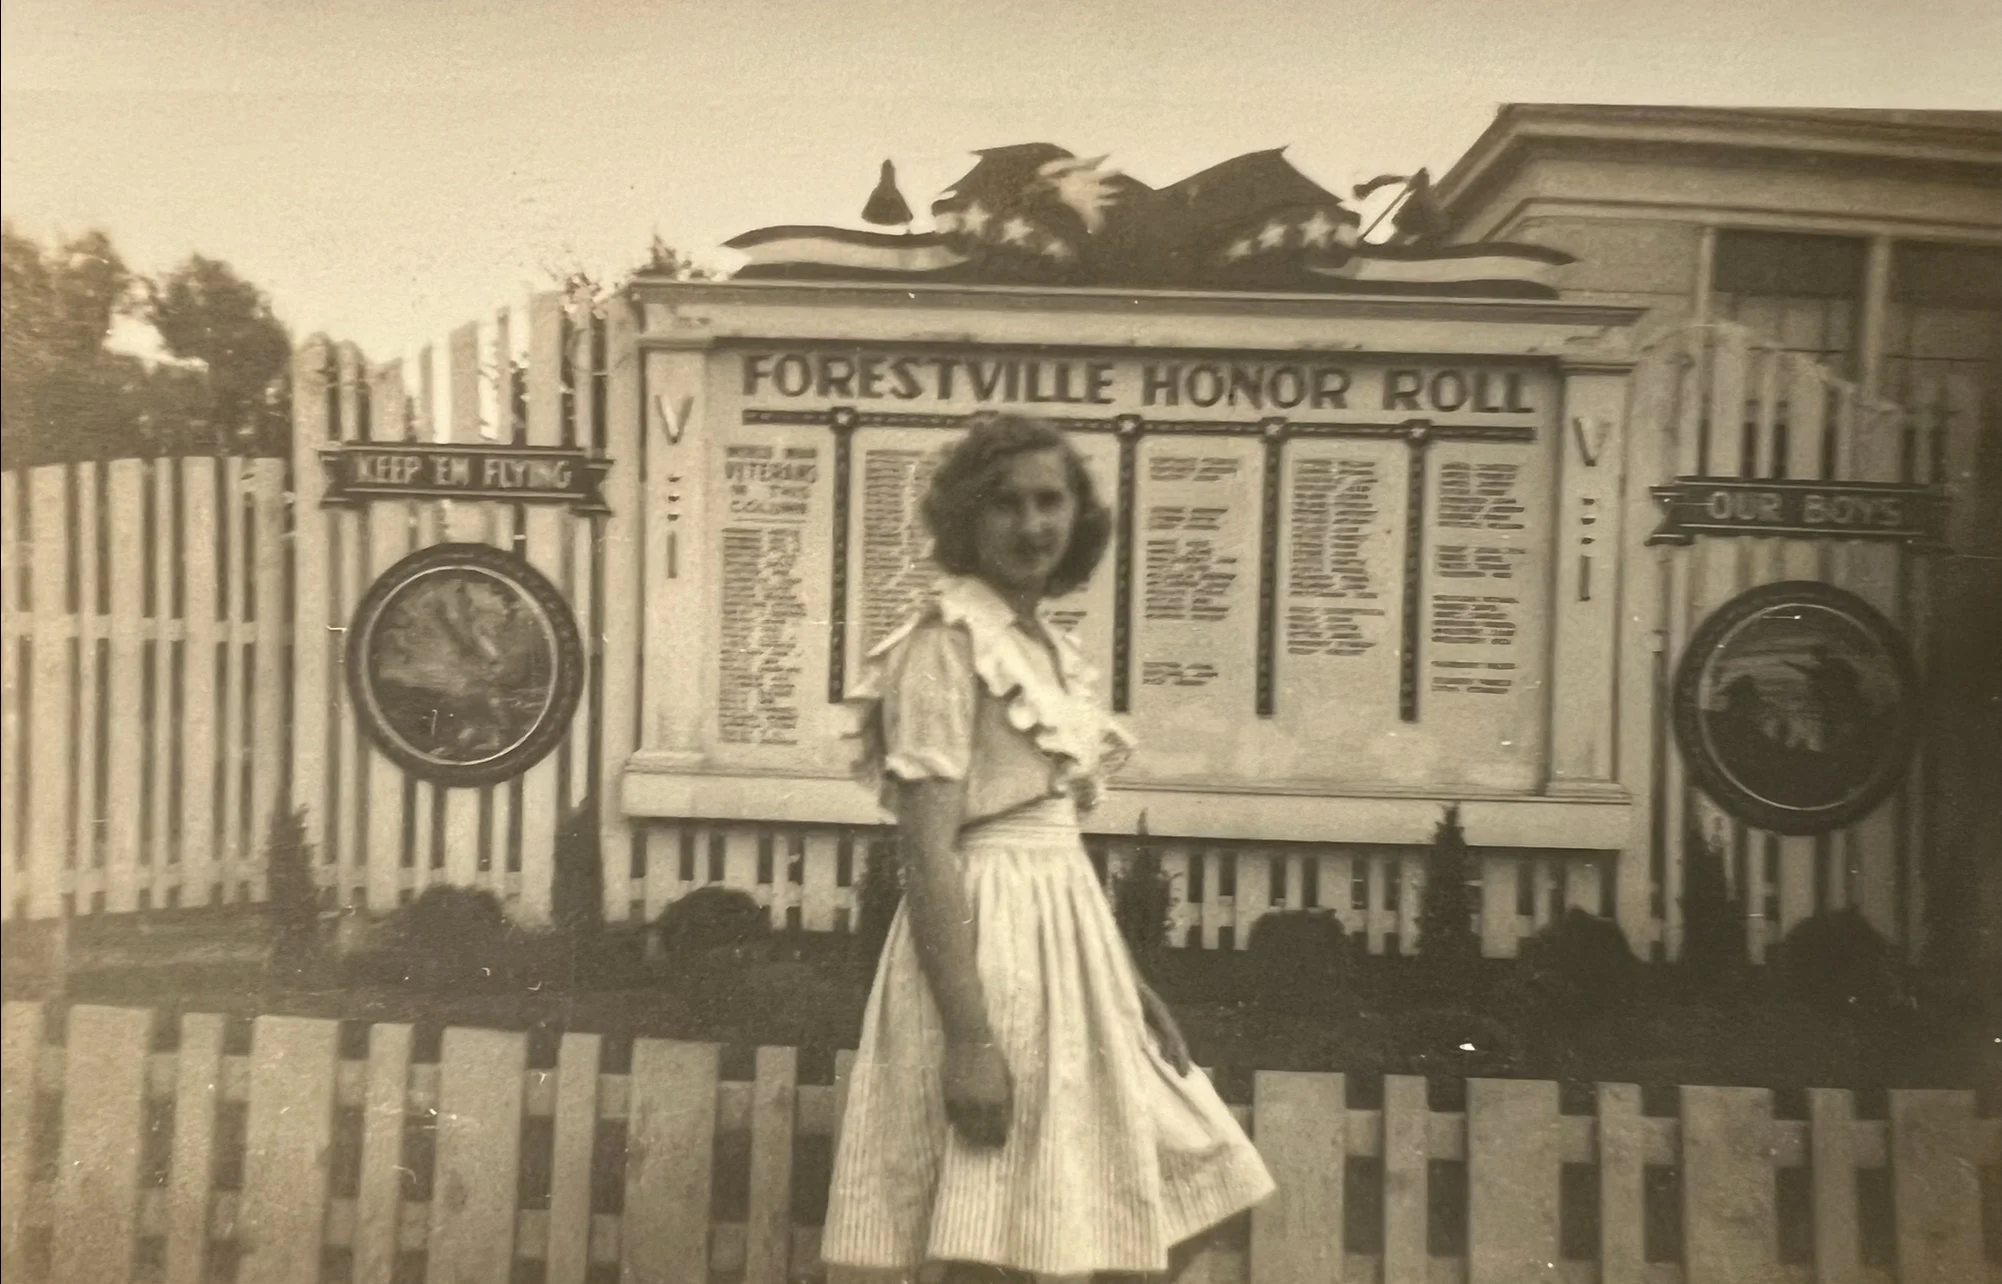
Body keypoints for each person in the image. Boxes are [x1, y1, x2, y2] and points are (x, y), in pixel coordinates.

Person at [822, 413, 1275, 1283]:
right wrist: (970, 1042)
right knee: (995, 1229)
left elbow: (1056, 843)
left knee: (1179, 1185)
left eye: (1049, 501)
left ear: (1078, 516)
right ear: (967, 518)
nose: (1032, 526)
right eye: (1005, 504)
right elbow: (926, 855)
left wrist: (1129, 986)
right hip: (987, 952)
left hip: (1072, 952)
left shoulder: (1052, 655)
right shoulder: (944, 643)